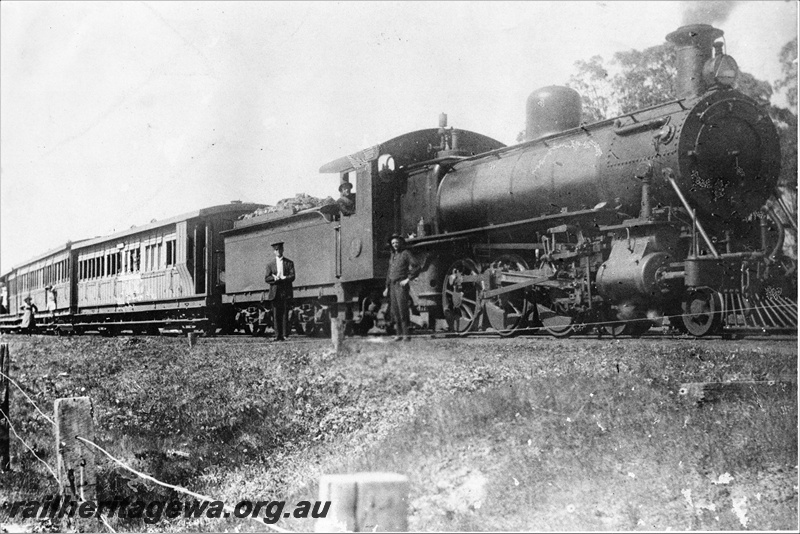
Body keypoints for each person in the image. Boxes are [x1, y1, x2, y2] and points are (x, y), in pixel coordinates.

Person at [383, 234, 420, 341]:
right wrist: (386, 287)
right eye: (393, 243)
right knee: (395, 311)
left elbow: (416, 266)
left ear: (400, 243)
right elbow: (389, 272)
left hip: (401, 285)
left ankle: (406, 335)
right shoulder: (392, 255)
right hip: (392, 286)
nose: (395, 245)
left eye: (397, 243)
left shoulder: (406, 253)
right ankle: (399, 334)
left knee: (403, 310)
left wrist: (408, 279)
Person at [264, 242, 295, 341]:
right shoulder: (270, 265)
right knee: (276, 314)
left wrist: (284, 277)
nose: (278, 251)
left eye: (280, 249)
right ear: (274, 251)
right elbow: (267, 278)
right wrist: (275, 279)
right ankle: (277, 335)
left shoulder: (289, 263)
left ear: (283, 250)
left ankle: (285, 335)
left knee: (285, 313)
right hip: (275, 292)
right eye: (276, 250)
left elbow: (292, 276)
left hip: (285, 291)